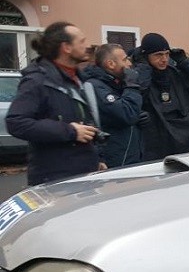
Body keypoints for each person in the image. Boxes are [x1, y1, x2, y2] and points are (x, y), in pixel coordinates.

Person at [5, 22, 102, 185]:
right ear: (66, 47)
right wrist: (69, 131)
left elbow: (86, 124)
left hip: (84, 174)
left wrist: (97, 158)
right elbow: (16, 122)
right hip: (54, 179)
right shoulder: (37, 81)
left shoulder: (78, 79)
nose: (87, 46)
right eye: (82, 41)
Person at [133, 33, 189, 160]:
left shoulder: (175, 74)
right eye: (158, 55)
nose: (164, 59)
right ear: (146, 56)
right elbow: (137, 97)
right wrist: (144, 71)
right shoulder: (138, 76)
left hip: (186, 139)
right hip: (158, 142)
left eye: (167, 54)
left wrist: (185, 63)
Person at [81, 43, 144, 168]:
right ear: (110, 64)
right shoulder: (97, 87)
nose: (129, 64)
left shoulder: (115, 84)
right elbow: (126, 114)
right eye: (125, 60)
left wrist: (140, 117)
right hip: (115, 159)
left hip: (129, 155)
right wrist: (131, 85)